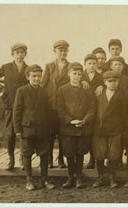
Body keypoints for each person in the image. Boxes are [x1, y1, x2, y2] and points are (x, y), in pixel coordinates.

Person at [41, 40, 90, 169]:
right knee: (51, 133)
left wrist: (84, 81)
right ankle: (50, 158)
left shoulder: (71, 66)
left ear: (67, 51)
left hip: (65, 104)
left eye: (65, 50)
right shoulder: (49, 66)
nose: (62, 53)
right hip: (52, 105)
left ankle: (61, 158)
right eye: (60, 50)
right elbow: (43, 85)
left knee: (64, 132)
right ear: (55, 51)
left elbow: (78, 75)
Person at [0, 43, 29, 170]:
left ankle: (23, 159)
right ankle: (11, 160)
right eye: (17, 53)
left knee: (23, 133)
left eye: (22, 52)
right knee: (10, 133)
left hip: (25, 106)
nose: (20, 55)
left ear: (25, 54)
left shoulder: (28, 68)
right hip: (10, 105)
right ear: (13, 54)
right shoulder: (6, 67)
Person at [13, 64, 55, 191]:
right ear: (28, 77)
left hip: (42, 129)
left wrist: (50, 128)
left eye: (39, 76)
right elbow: (17, 111)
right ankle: (29, 180)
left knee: (44, 155)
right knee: (26, 155)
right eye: (34, 76)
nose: (37, 79)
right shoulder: (22, 91)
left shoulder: (43, 91)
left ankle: (44, 179)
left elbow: (48, 111)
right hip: (27, 129)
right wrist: (17, 130)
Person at [56, 62, 95, 188]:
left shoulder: (87, 89)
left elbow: (92, 108)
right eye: (74, 73)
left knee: (80, 153)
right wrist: (70, 120)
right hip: (68, 128)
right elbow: (60, 109)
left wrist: (85, 120)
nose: (77, 76)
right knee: (69, 153)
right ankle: (70, 178)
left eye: (79, 74)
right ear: (68, 74)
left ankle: (79, 178)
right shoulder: (62, 90)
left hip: (83, 128)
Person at [92, 70, 125, 188]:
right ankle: (100, 177)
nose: (112, 83)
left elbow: (125, 114)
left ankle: (112, 177)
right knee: (99, 154)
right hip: (99, 129)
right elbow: (93, 109)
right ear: (105, 82)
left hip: (115, 129)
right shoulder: (98, 93)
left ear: (118, 82)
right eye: (109, 81)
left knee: (114, 154)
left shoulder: (122, 95)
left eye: (115, 81)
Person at [82, 53, 104, 169]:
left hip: (96, 108)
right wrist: (82, 81)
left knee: (95, 134)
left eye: (94, 63)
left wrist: (102, 86)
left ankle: (93, 158)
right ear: (85, 64)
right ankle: (82, 158)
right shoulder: (81, 76)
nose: (91, 65)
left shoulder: (101, 77)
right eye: (89, 63)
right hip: (83, 109)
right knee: (85, 134)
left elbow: (106, 86)